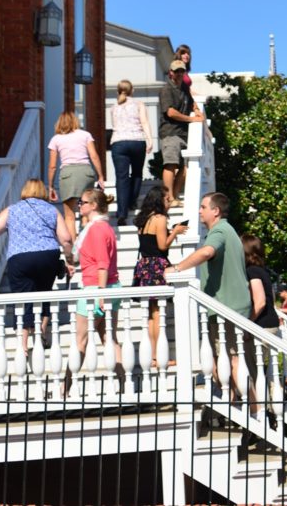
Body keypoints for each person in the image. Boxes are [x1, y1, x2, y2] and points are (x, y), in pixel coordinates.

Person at [0, 178, 72, 354]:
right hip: (46, 257)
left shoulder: (13, 210)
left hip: (20, 259)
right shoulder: (51, 209)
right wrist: (69, 256)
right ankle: (41, 333)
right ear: (42, 191)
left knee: (23, 299)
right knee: (44, 294)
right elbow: (66, 238)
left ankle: (23, 345)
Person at [166, 192, 252, 395]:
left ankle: (256, 410)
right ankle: (235, 408)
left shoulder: (219, 231)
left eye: (203, 207)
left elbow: (206, 252)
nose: (199, 210)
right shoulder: (227, 230)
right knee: (223, 363)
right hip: (228, 307)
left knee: (231, 361)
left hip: (227, 308)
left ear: (216, 211)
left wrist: (176, 268)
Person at [132, 185, 187, 367]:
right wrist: (175, 232)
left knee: (150, 315)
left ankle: (151, 356)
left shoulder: (144, 219)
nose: (169, 202)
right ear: (159, 200)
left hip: (144, 266)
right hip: (156, 267)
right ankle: (157, 357)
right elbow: (163, 246)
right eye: (166, 199)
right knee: (157, 314)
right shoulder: (160, 218)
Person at [73, 189, 121, 366]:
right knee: (110, 339)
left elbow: (102, 263)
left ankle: (65, 389)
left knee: (80, 342)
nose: (79, 205)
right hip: (111, 286)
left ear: (93, 206)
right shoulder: (105, 227)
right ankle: (125, 384)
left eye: (82, 202)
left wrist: (101, 294)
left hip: (96, 288)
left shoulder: (96, 230)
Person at [47, 111, 105, 243]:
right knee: (87, 209)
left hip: (68, 175)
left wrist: (50, 186)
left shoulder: (56, 139)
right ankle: (88, 241)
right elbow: (94, 156)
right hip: (86, 173)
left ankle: (74, 250)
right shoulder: (85, 135)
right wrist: (100, 176)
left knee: (69, 216)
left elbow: (52, 166)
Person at [158, 60, 202, 207]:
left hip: (183, 134)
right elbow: (170, 112)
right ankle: (169, 198)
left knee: (185, 168)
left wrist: (196, 110)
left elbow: (192, 103)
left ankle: (174, 196)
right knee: (170, 164)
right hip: (170, 132)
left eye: (181, 71)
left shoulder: (184, 89)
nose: (179, 74)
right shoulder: (166, 89)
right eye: (176, 71)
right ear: (171, 72)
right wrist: (191, 119)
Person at [109, 79, 153, 226]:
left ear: (118, 91)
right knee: (137, 173)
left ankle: (122, 214)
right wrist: (149, 139)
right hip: (137, 141)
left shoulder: (113, 107)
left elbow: (115, 125)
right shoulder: (139, 104)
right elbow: (144, 122)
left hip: (119, 143)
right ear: (132, 90)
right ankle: (132, 202)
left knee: (121, 178)